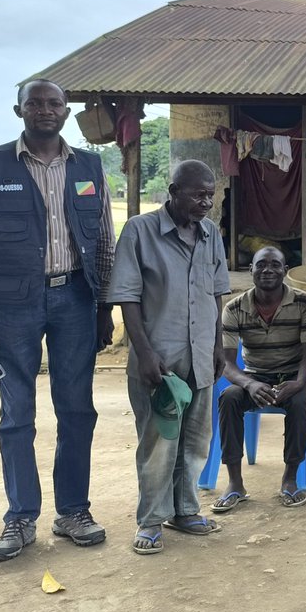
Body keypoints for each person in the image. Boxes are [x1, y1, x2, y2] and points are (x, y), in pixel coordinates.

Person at [0, 80, 116, 562]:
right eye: (34, 103)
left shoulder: (89, 166)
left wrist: (104, 308)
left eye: (54, 103)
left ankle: (73, 511)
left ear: (66, 111)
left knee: (76, 409)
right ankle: (19, 518)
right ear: (19, 110)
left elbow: (104, 242)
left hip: (76, 300)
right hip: (14, 305)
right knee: (17, 413)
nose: (44, 109)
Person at [109, 160, 231, 555]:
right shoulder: (139, 231)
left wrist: (217, 346)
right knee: (158, 443)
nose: (206, 203)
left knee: (195, 441)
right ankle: (150, 521)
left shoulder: (211, 235)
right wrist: (143, 352)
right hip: (159, 360)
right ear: (174, 192)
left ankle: (186, 511)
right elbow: (127, 296)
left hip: (201, 355)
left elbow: (217, 293)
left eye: (210, 195)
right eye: (198, 195)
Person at [214, 247, 306, 511]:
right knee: (229, 398)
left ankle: (290, 479)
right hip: (254, 377)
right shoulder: (234, 307)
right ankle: (235, 483)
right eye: (261, 264)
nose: (267, 270)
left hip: (291, 376)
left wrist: (299, 382)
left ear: (285, 271)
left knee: (300, 402)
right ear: (251, 270)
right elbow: (227, 362)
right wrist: (249, 383)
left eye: (275, 264)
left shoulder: (304, 302)